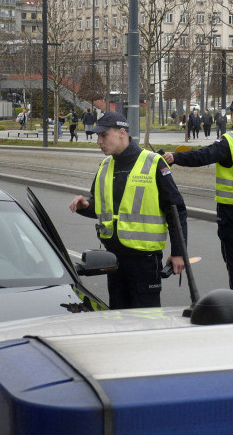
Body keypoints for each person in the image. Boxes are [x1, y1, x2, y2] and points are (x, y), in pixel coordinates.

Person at [69, 111, 188, 309]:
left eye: (103, 135)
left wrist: (179, 252)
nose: (98, 141)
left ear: (122, 133)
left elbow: (176, 210)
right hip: (113, 260)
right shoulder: (105, 166)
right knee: (118, 317)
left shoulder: (154, 163)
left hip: (144, 262)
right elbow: (100, 208)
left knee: (145, 320)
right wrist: (86, 205)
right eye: (97, 136)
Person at [164, 97, 233, 306]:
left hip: (232, 211)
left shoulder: (229, 141)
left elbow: (202, 157)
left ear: (232, 116)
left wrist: (175, 158)